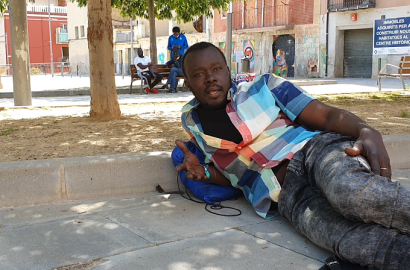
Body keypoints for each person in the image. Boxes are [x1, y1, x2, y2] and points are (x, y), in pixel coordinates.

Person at [174, 41, 410, 269]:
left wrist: (365, 130)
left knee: (353, 194)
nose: (211, 78)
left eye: (217, 69)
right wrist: (205, 173)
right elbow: (237, 176)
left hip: (314, 154)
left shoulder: (264, 86)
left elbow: (326, 116)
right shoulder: (192, 123)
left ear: (228, 70)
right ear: (188, 85)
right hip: (288, 197)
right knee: (356, 244)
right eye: (199, 74)